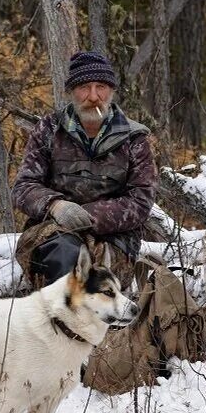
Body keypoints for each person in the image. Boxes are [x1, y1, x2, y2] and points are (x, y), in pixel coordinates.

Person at [12, 51, 157, 290]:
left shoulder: (134, 139)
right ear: (71, 92)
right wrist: (56, 206)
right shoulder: (49, 130)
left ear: (111, 91)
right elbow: (24, 187)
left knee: (96, 280)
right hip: (53, 232)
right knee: (63, 260)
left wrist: (87, 216)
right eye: (83, 87)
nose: (92, 96)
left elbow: (140, 201)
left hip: (115, 240)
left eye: (100, 87)